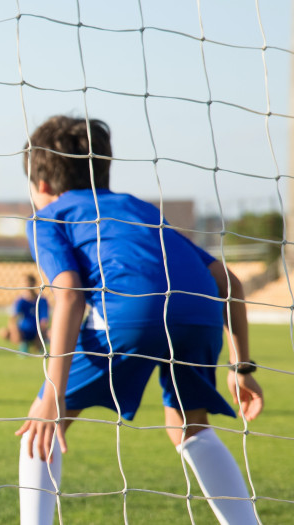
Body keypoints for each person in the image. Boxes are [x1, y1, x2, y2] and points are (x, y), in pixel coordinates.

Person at [15, 115, 263, 525]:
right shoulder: (139, 209)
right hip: (200, 311)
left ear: (41, 185)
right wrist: (242, 367)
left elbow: (70, 292)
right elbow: (229, 281)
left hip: (132, 311)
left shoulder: (49, 216)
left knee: (41, 422)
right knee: (189, 427)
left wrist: (52, 394)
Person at [0, 274, 50, 354]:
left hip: (37, 331)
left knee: (51, 333)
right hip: (23, 331)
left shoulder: (42, 300)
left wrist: (39, 334)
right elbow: (12, 319)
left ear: (33, 283)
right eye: (23, 282)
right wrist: (15, 330)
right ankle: (22, 345)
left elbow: (44, 320)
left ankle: (40, 345)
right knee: (4, 332)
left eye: (27, 282)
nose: (25, 285)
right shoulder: (20, 301)